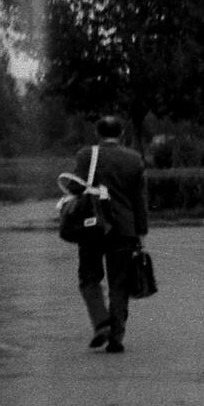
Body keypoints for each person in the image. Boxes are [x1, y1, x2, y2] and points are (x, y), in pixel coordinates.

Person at [72, 116, 148, 353]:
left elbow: (75, 187)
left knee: (89, 277)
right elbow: (139, 199)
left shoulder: (86, 155)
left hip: (91, 227)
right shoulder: (134, 159)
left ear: (97, 133)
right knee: (119, 283)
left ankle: (101, 322)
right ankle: (116, 337)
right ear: (122, 133)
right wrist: (141, 231)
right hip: (124, 229)